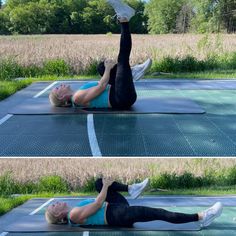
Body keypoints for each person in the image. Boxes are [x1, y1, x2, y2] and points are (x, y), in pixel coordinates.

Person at [49, 0, 152, 109]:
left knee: (101, 67)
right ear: (61, 97)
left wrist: (106, 69)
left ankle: (132, 73)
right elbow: (102, 86)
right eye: (57, 89)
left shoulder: (78, 93)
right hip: (121, 97)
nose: (60, 85)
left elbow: (101, 85)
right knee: (122, 58)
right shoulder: (76, 98)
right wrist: (108, 69)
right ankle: (124, 18)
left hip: (119, 93)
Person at [45, 178, 223, 228]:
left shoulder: (74, 211)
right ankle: (201, 217)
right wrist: (106, 187)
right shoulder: (73, 214)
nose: (57, 203)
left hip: (116, 208)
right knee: (159, 213)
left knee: (98, 182)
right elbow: (98, 204)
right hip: (117, 216)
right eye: (54, 207)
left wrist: (104, 186)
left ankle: (132, 189)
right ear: (59, 216)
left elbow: (101, 200)